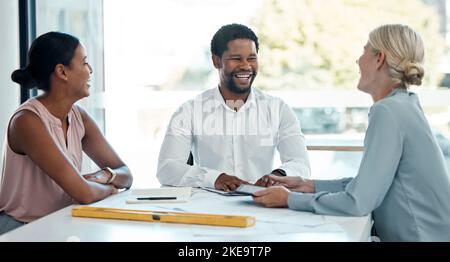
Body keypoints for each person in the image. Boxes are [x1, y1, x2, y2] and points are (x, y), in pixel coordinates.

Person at [252, 24, 450, 241]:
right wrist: (307, 185)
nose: (358, 60)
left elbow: (358, 202)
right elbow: (368, 184)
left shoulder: (388, 111)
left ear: (379, 59)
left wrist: (289, 200)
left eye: (364, 51)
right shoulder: (405, 105)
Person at [0, 32, 133, 235]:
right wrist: (110, 188)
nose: (90, 71)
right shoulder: (27, 121)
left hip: (59, 224)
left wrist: (105, 174)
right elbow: (84, 194)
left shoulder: (79, 116)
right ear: (62, 72)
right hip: (21, 230)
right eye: (85, 63)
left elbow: (126, 174)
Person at [157, 24, 310, 191]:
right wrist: (216, 178)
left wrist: (278, 176)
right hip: (209, 205)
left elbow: (301, 164)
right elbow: (167, 168)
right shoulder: (189, 111)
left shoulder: (278, 110)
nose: (245, 65)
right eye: (236, 58)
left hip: (262, 204)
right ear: (216, 61)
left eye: (252, 58)